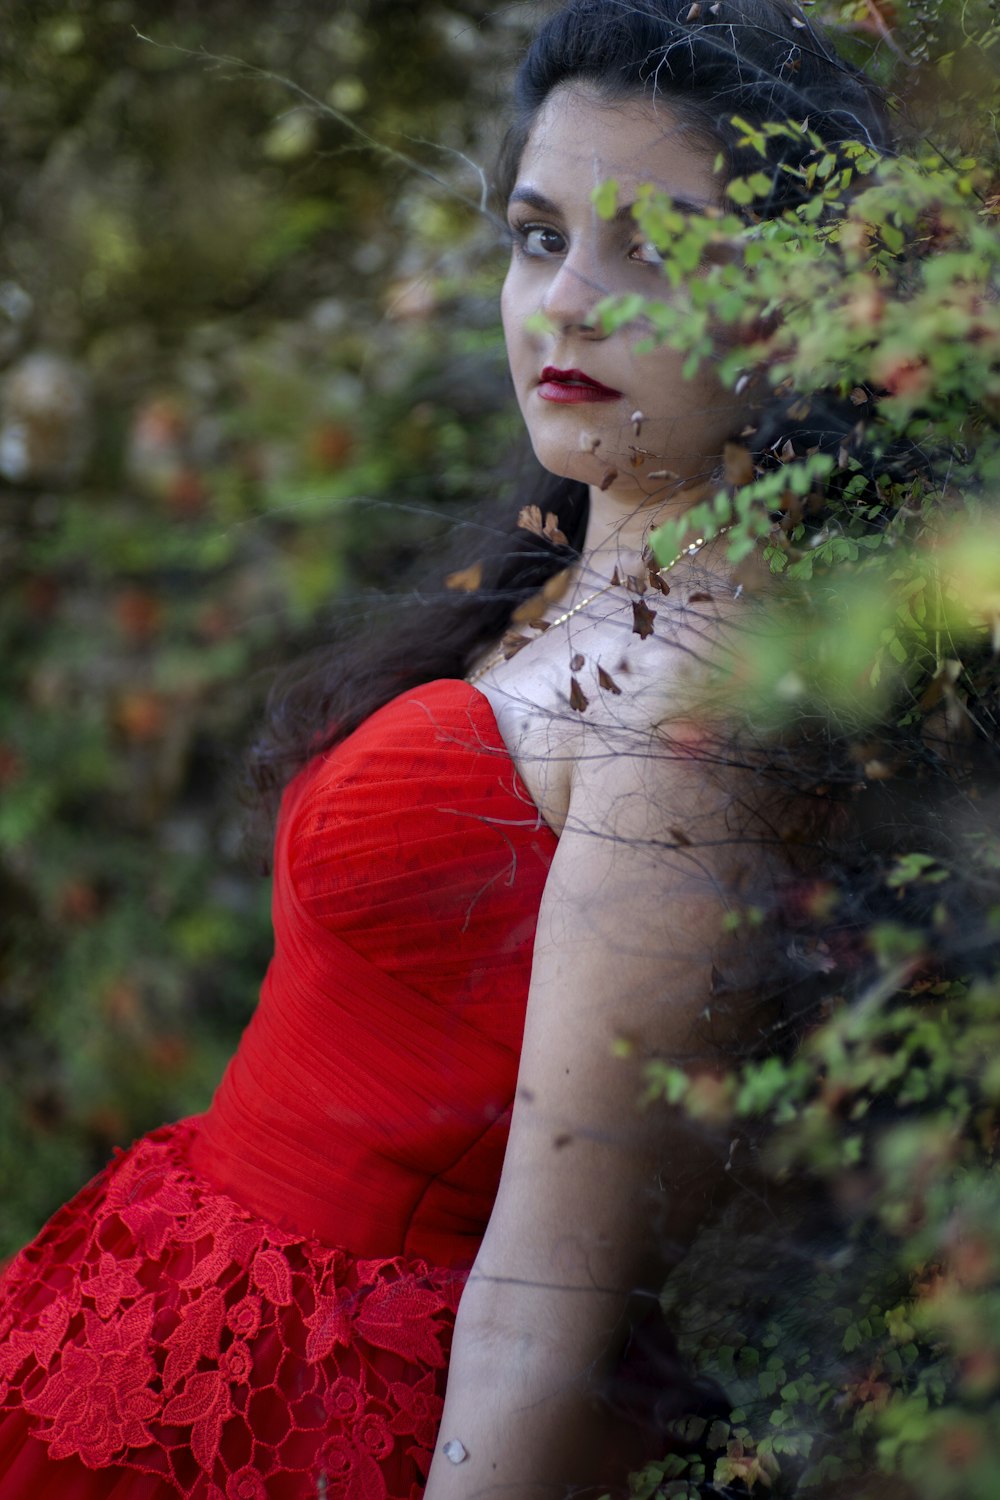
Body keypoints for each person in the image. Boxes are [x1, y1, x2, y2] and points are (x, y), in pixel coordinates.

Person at [0, 2, 890, 1496]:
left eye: (655, 252)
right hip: (184, 1322)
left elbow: (552, 1299)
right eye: (540, 238)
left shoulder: (691, 724)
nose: (569, 302)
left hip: (322, 1411)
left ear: (799, 309)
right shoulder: (563, 568)